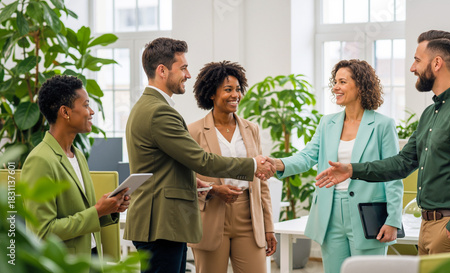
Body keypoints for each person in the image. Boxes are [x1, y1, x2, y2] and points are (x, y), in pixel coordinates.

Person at [316, 30, 450, 255]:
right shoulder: (431, 112)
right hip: (429, 224)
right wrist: (352, 170)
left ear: (437, 63)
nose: (412, 68)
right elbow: (402, 163)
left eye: (417, 60)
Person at [124, 38, 275, 273]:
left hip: (168, 223)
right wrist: (252, 165)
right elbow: (202, 161)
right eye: (183, 68)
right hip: (163, 223)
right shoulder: (159, 112)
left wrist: (200, 184)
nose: (188, 74)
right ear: (162, 71)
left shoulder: (150, 107)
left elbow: (166, 168)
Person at [272, 60, 403, 273]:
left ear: (360, 85)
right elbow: (307, 157)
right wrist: (279, 164)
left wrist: (393, 220)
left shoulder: (382, 125)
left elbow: (392, 174)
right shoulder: (327, 123)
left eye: (342, 82)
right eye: (335, 82)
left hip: (368, 215)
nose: (335, 87)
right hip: (330, 213)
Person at [22, 75, 130, 262]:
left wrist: (109, 209)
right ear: (65, 112)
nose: (92, 112)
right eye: (86, 105)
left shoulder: (77, 154)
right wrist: (97, 211)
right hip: (64, 264)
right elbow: (43, 231)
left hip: (90, 258)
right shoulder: (40, 160)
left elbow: (80, 215)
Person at [187, 61, 277, 273]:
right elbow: (184, 177)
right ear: (211, 94)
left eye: (238, 89)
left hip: (248, 215)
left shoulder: (251, 129)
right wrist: (213, 190)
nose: (235, 95)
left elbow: (261, 181)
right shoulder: (194, 131)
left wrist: (268, 226)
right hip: (211, 213)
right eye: (228, 90)